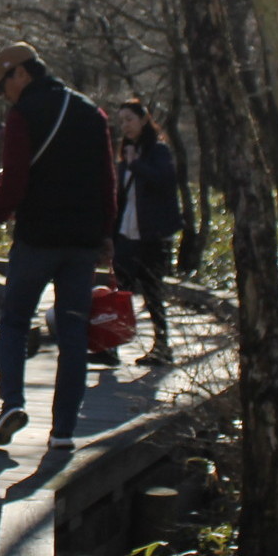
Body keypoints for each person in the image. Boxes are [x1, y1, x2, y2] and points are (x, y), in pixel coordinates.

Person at [0, 42, 117, 451]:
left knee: (14, 321)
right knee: (72, 334)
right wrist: (106, 235)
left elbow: (13, 183)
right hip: (81, 244)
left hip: (37, 240)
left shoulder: (22, 116)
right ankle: (63, 431)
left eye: (4, 85)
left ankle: (12, 404)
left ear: (22, 74)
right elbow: (107, 180)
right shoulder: (91, 113)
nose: (5, 95)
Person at [113, 98, 184, 367]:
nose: (125, 126)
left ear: (144, 119)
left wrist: (135, 165)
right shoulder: (127, 152)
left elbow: (164, 181)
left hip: (152, 234)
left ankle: (162, 346)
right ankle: (112, 343)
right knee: (120, 289)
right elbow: (121, 196)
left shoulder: (158, 151)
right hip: (127, 231)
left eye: (129, 119)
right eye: (121, 121)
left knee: (153, 291)